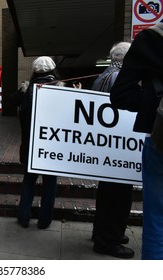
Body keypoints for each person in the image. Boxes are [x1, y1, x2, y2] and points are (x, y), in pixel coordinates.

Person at [111, 21, 163, 260]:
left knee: (157, 220)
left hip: (161, 140)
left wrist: (151, 109)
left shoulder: (152, 38)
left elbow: (121, 94)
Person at [90, 42, 134, 259]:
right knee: (118, 196)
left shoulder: (104, 76)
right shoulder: (121, 78)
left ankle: (104, 233)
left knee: (107, 194)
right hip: (118, 147)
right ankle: (109, 240)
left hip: (106, 146)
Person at [14, 56, 61, 229]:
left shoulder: (26, 89)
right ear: (52, 70)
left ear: (35, 70)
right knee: (50, 183)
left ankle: (24, 216)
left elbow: (13, 102)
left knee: (29, 180)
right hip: (51, 145)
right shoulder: (60, 89)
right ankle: (44, 220)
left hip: (30, 145)